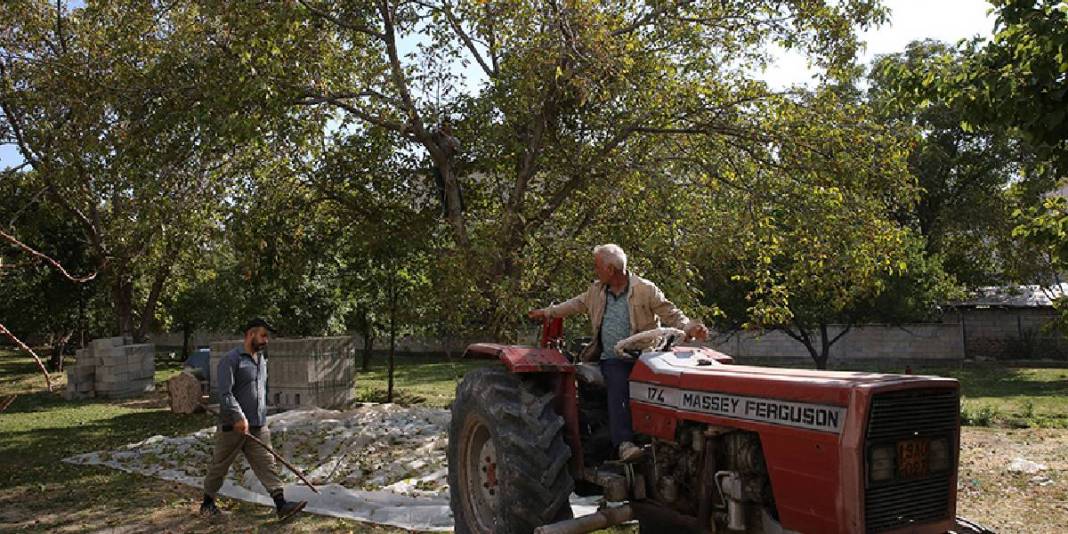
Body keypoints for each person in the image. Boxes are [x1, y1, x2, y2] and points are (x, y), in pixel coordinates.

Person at [529, 244, 709, 462]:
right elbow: (575, 304)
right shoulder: (596, 291)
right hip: (613, 358)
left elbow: (671, 313)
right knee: (618, 382)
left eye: (597, 267)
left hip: (646, 356)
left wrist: (690, 327)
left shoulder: (645, 289)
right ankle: (624, 444)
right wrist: (547, 312)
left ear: (611, 269)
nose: (595, 271)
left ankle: (673, 443)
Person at [199, 318, 306, 521]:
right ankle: (207, 503)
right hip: (232, 427)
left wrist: (261, 415)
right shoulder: (231, 360)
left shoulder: (261, 359)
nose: (266, 340)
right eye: (263, 335)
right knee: (219, 467)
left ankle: (281, 505)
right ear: (250, 334)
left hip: (258, 425)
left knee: (267, 463)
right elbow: (225, 394)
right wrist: (238, 417)